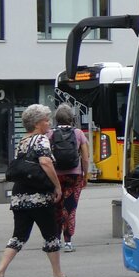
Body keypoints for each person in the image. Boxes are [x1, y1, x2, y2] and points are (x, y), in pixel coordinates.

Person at [0, 104, 78, 277]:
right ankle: (58, 276)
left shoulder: (23, 141)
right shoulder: (41, 139)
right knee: (51, 235)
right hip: (38, 196)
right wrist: (57, 186)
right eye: (46, 120)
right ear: (38, 124)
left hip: (20, 195)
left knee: (18, 236)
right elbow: (45, 162)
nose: (49, 123)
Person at [52, 104, 91, 253]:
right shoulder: (79, 133)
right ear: (71, 119)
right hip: (74, 176)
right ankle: (68, 242)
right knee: (70, 209)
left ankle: (55, 240)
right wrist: (85, 175)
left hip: (56, 176)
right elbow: (86, 158)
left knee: (56, 208)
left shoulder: (50, 134)